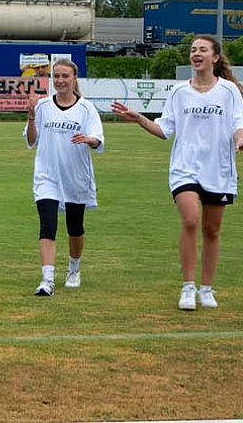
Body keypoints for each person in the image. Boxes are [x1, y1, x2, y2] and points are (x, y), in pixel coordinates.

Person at [112, 34, 243, 311]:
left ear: (215, 58)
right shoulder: (179, 92)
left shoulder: (230, 91)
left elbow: (237, 123)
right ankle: (188, 287)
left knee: (212, 229)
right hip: (185, 168)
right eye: (193, 50)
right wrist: (138, 118)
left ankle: (206, 289)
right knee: (191, 219)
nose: (196, 54)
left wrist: (240, 139)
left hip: (218, 169)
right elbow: (164, 130)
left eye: (203, 50)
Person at [24, 59, 104, 296]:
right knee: (47, 225)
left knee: (75, 227)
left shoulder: (86, 108)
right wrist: (30, 116)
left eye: (65, 76)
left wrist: (89, 139)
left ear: (74, 78)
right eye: (56, 76)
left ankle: (74, 268)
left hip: (75, 177)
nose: (60, 80)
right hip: (47, 176)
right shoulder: (43, 106)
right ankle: (47, 279)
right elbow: (31, 141)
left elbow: (98, 138)